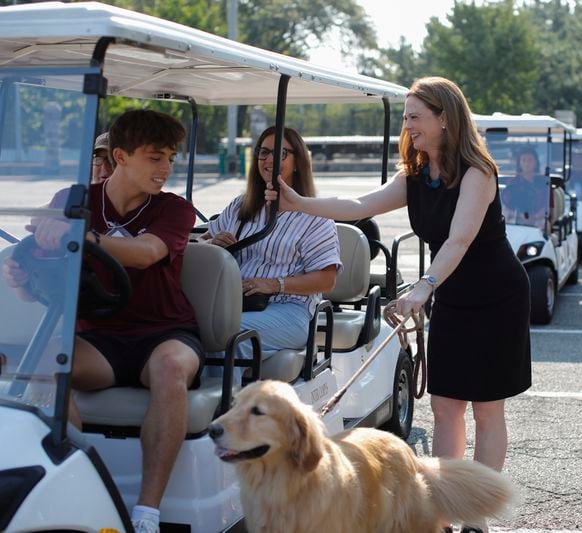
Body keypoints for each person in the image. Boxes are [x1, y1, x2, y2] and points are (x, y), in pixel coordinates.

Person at [266, 76, 531, 533]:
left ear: (445, 119)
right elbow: (359, 204)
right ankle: (448, 510)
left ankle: (477, 517)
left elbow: (461, 238)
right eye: (406, 117)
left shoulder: (477, 172)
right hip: (450, 295)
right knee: (447, 407)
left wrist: (424, 287)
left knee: (488, 410)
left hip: (496, 298)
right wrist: (299, 203)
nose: (408, 126)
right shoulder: (415, 174)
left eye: (415, 117)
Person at [5, 109, 201, 533]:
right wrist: (22, 278)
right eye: (155, 157)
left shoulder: (174, 209)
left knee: (170, 370)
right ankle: (79, 490)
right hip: (99, 337)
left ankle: (147, 513)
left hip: (165, 333)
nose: (166, 168)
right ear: (121, 156)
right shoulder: (72, 201)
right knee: (46, 365)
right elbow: (40, 282)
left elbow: (147, 253)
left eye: (170, 157)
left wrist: (81, 236)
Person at [200, 125, 340, 364]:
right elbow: (201, 245)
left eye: (280, 154)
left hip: (289, 310)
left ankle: (227, 401)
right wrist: (214, 244)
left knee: (224, 334)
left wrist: (274, 284)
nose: (269, 160)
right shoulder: (240, 206)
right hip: (234, 302)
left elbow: (326, 279)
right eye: (263, 152)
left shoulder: (315, 215)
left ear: (298, 162)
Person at [501, 147, 549, 228]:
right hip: (516, 218)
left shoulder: (543, 182)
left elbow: (547, 206)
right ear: (519, 163)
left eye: (530, 160)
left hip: (538, 219)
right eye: (523, 160)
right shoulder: (513, 182)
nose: (527, 163)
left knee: (546, 225)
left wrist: (534, 217)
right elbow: (507, 206)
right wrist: (519, 215)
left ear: (536, 162)